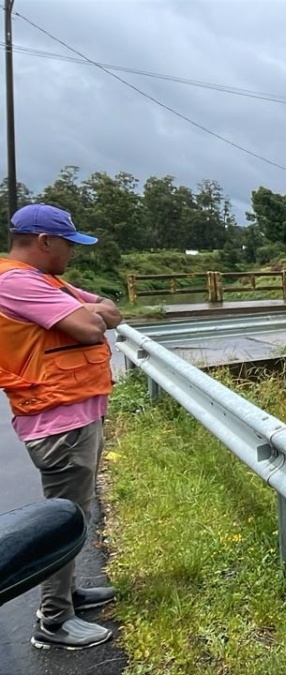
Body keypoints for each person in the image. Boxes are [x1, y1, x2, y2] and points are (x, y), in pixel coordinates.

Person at [0, 204, 123, 650]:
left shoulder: (47, 281)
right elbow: (91, 325)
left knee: (75, 512)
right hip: (57, 420)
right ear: (43, 241)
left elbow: (112, 312)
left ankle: (68, 594)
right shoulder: (16, 282)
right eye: (68, 244)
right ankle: (54, 620)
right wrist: (86, 312)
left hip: (75, 412)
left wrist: (86, 309)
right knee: (63, 517)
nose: (72, 252)